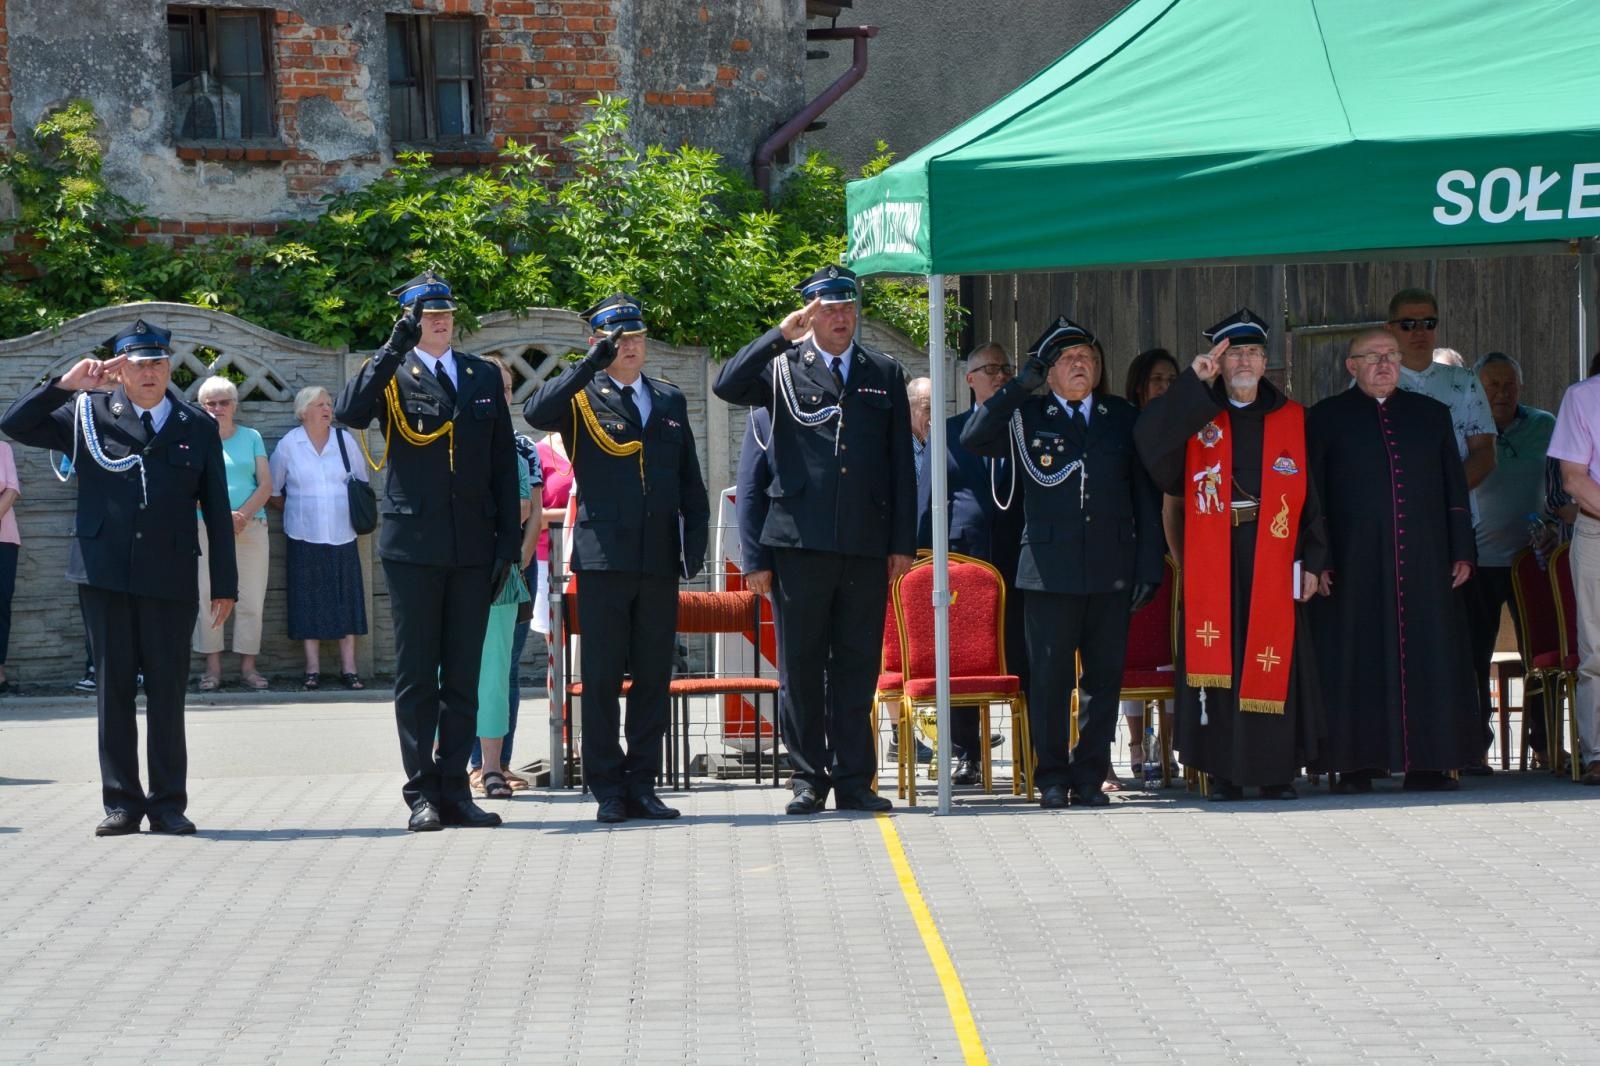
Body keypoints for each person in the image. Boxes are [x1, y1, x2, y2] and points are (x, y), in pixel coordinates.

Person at [1, 319, 236, 835]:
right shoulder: (86, 414)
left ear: (169, 366)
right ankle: (123, 804)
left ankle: (169, 803)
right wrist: (65, 384)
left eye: (157, 362)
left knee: (169, 691)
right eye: (137, 363)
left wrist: (225, 583)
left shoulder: (195, 425)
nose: (149, 372)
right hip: (105, 572)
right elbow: (14, 424)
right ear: (119, 369)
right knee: (113, 692)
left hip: (170, 575)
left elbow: (217, 508)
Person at [715, 264, 916, 815]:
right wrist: (780, 334)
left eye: (847, 307)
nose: (840, 318)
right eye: (828, 309)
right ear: (809, 314)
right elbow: (726, 383)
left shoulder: (884, 371)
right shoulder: (781, 370)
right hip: (799, 545)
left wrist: (902, 542)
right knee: (802, 667)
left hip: (864, 541)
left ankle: (855, 779)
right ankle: (808, 777)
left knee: (856, 666)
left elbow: (901, 464)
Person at [336, 271, 521, 832]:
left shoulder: (482, 374)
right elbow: (349, 412)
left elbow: (500, 469)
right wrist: (391, 349)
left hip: (472, 545)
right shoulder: (392, 373)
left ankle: (454, 789)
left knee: (463, 673)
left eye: (443, 314)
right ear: (410, 321)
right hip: (413, 545)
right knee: (418, 674)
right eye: (425, 316)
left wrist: (507, 549)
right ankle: (421, 792)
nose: (438, 322)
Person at [961, 315, 1163, 809]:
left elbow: (1144, 496)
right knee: (1050, 681)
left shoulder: (1121, 416)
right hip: (1048, 571)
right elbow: (974, 437)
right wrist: (1020, 385)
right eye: (1068, 360)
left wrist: (1149, 564)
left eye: (1088, 360)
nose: (1080, 366)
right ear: (1048, 372)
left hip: (1110, 566)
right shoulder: (1026, 415)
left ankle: (1090, 776)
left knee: (1102, 680)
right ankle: (1050, 775)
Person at [525, 293, 709, 823]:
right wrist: (590, 364)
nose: (630, 347)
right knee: (602, 679)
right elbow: (537, 410)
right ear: (599, 342)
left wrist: (692, 545)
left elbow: (689, 481)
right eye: (618, 339)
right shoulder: (582, 398)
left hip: (656, 558)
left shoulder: (668, 400)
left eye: (635, 337)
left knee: (654, 676)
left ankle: (642, 783)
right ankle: (606, 785)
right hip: (603, 557)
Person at [1136, 310, 1326, 800]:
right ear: (1218, 363)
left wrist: (1316, 560)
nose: (1244, 360)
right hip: (1213, 553)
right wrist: (1190, 384)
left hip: (1276, 554)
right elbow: (1149, 443)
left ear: (1267, 362)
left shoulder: (1295, 418)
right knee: (1219, 658)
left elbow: (1317, 500)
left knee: (1271, 657)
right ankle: (1222, 772)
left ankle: (1275, 771)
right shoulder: (1198, 412)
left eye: (1253, 352)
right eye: (1233, 353)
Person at [1307, 328, 1479, 792]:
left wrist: (1462, 549)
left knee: (1431, 657)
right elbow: (1313, 496)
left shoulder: (1430, 415)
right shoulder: (1324, 418)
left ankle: (1429, 763)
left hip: (1424, 560)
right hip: (1352, 565)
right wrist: (1317, 559)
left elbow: (1454, 490)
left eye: (1391, 356)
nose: (1384, 364)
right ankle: (1356, 764)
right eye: (1373, 356)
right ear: (1351, 366)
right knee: (1354, 659)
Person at [915, 342, 1026, 786]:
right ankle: (966, 751)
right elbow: (927, 501)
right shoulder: (950, 432)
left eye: (1006, 367)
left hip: (1020, 559)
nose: (1000, 375)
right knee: (961, 660)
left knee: (1024, 655)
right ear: (970, 379)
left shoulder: (1026, 428)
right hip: (964, 560)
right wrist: (921, 560)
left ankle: (1029, 751)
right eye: (990, 368)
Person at [1461, 353, 1556, 769]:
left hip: (1533, 561)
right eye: (1492, 385)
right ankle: (1474, 747)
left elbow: (1562, 483)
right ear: (1477, 389)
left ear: (1521, 386)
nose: (1501, 393)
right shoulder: (1462, 426)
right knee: (1471, 657)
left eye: (1509, 385)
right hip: (1476, 561)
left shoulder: (1545, 426)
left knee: (1546, 654)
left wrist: (1555, 524)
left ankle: (1546, 743)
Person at [470, 359, 542, 800]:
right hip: (467, 566)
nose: (502, 394)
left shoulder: (522, 446)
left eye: (508, 387)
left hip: (512, 568)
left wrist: (516, 559)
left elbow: (529, 510)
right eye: (494, 386)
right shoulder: (462, 440)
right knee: (458, 668)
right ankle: (468, 764)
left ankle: (496, 763)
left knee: (503, 669)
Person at [269, 387, 368, 691]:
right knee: (307, 601)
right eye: (319, 404)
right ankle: (312, 669)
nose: (327, 409)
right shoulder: (290, 444)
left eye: (329, 404)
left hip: (342, 533)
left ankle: (349, 668)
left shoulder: (345, 440)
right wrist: (300, 509)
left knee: (346, 600)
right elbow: (273, 490)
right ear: (303, 411)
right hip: (304, 533)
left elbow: (362, 481)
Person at [1118, 346, 1181, 784]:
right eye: (1158, 380)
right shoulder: (1127, 428)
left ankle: (1172, 747)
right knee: (1131, 649)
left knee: (1172, 652)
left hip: (1179, 551)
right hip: (1134, 550)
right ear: (1140, 387)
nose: (1166, 387)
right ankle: (1137, 743)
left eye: (1173, 380)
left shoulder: (1189, 428)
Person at [192, 376, 272, 691]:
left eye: (224, 402)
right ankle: (212, 669)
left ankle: (248, 668)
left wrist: (243, 514)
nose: (217, 408)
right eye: (210, 403)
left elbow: (265, 484)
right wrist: (221, 517)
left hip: (251, 526)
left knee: (251, 598)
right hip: (205, 526)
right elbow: (186, 485)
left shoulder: (251, 437)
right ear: (202, 407)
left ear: (234, 405)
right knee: (207, 595)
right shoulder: (195, 437)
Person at [1386, 288, 1496, 493]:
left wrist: (1445, 495)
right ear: (1390, 329)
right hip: (1394, 513)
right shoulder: (1372, 382)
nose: (1419, 332)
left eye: (1429, 323)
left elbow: (1484, 452)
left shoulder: (1465, 381)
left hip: (1455, 513)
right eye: (1408, 324)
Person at [1546, 367, 1600, 785]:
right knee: (1597, 650)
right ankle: (1598, 752)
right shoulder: (1583, 397)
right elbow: (1574, 479)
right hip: (1597, 527)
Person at [0, 441, 20, 694]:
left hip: (3, 537)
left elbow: (13, 490)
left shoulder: (3, 448)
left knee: (1, 604)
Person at [908, 376, 932, 498]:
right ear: (908, 410)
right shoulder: (899, 452)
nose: (934, 416)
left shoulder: (940, 447)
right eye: (928, 409)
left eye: (938, 409)